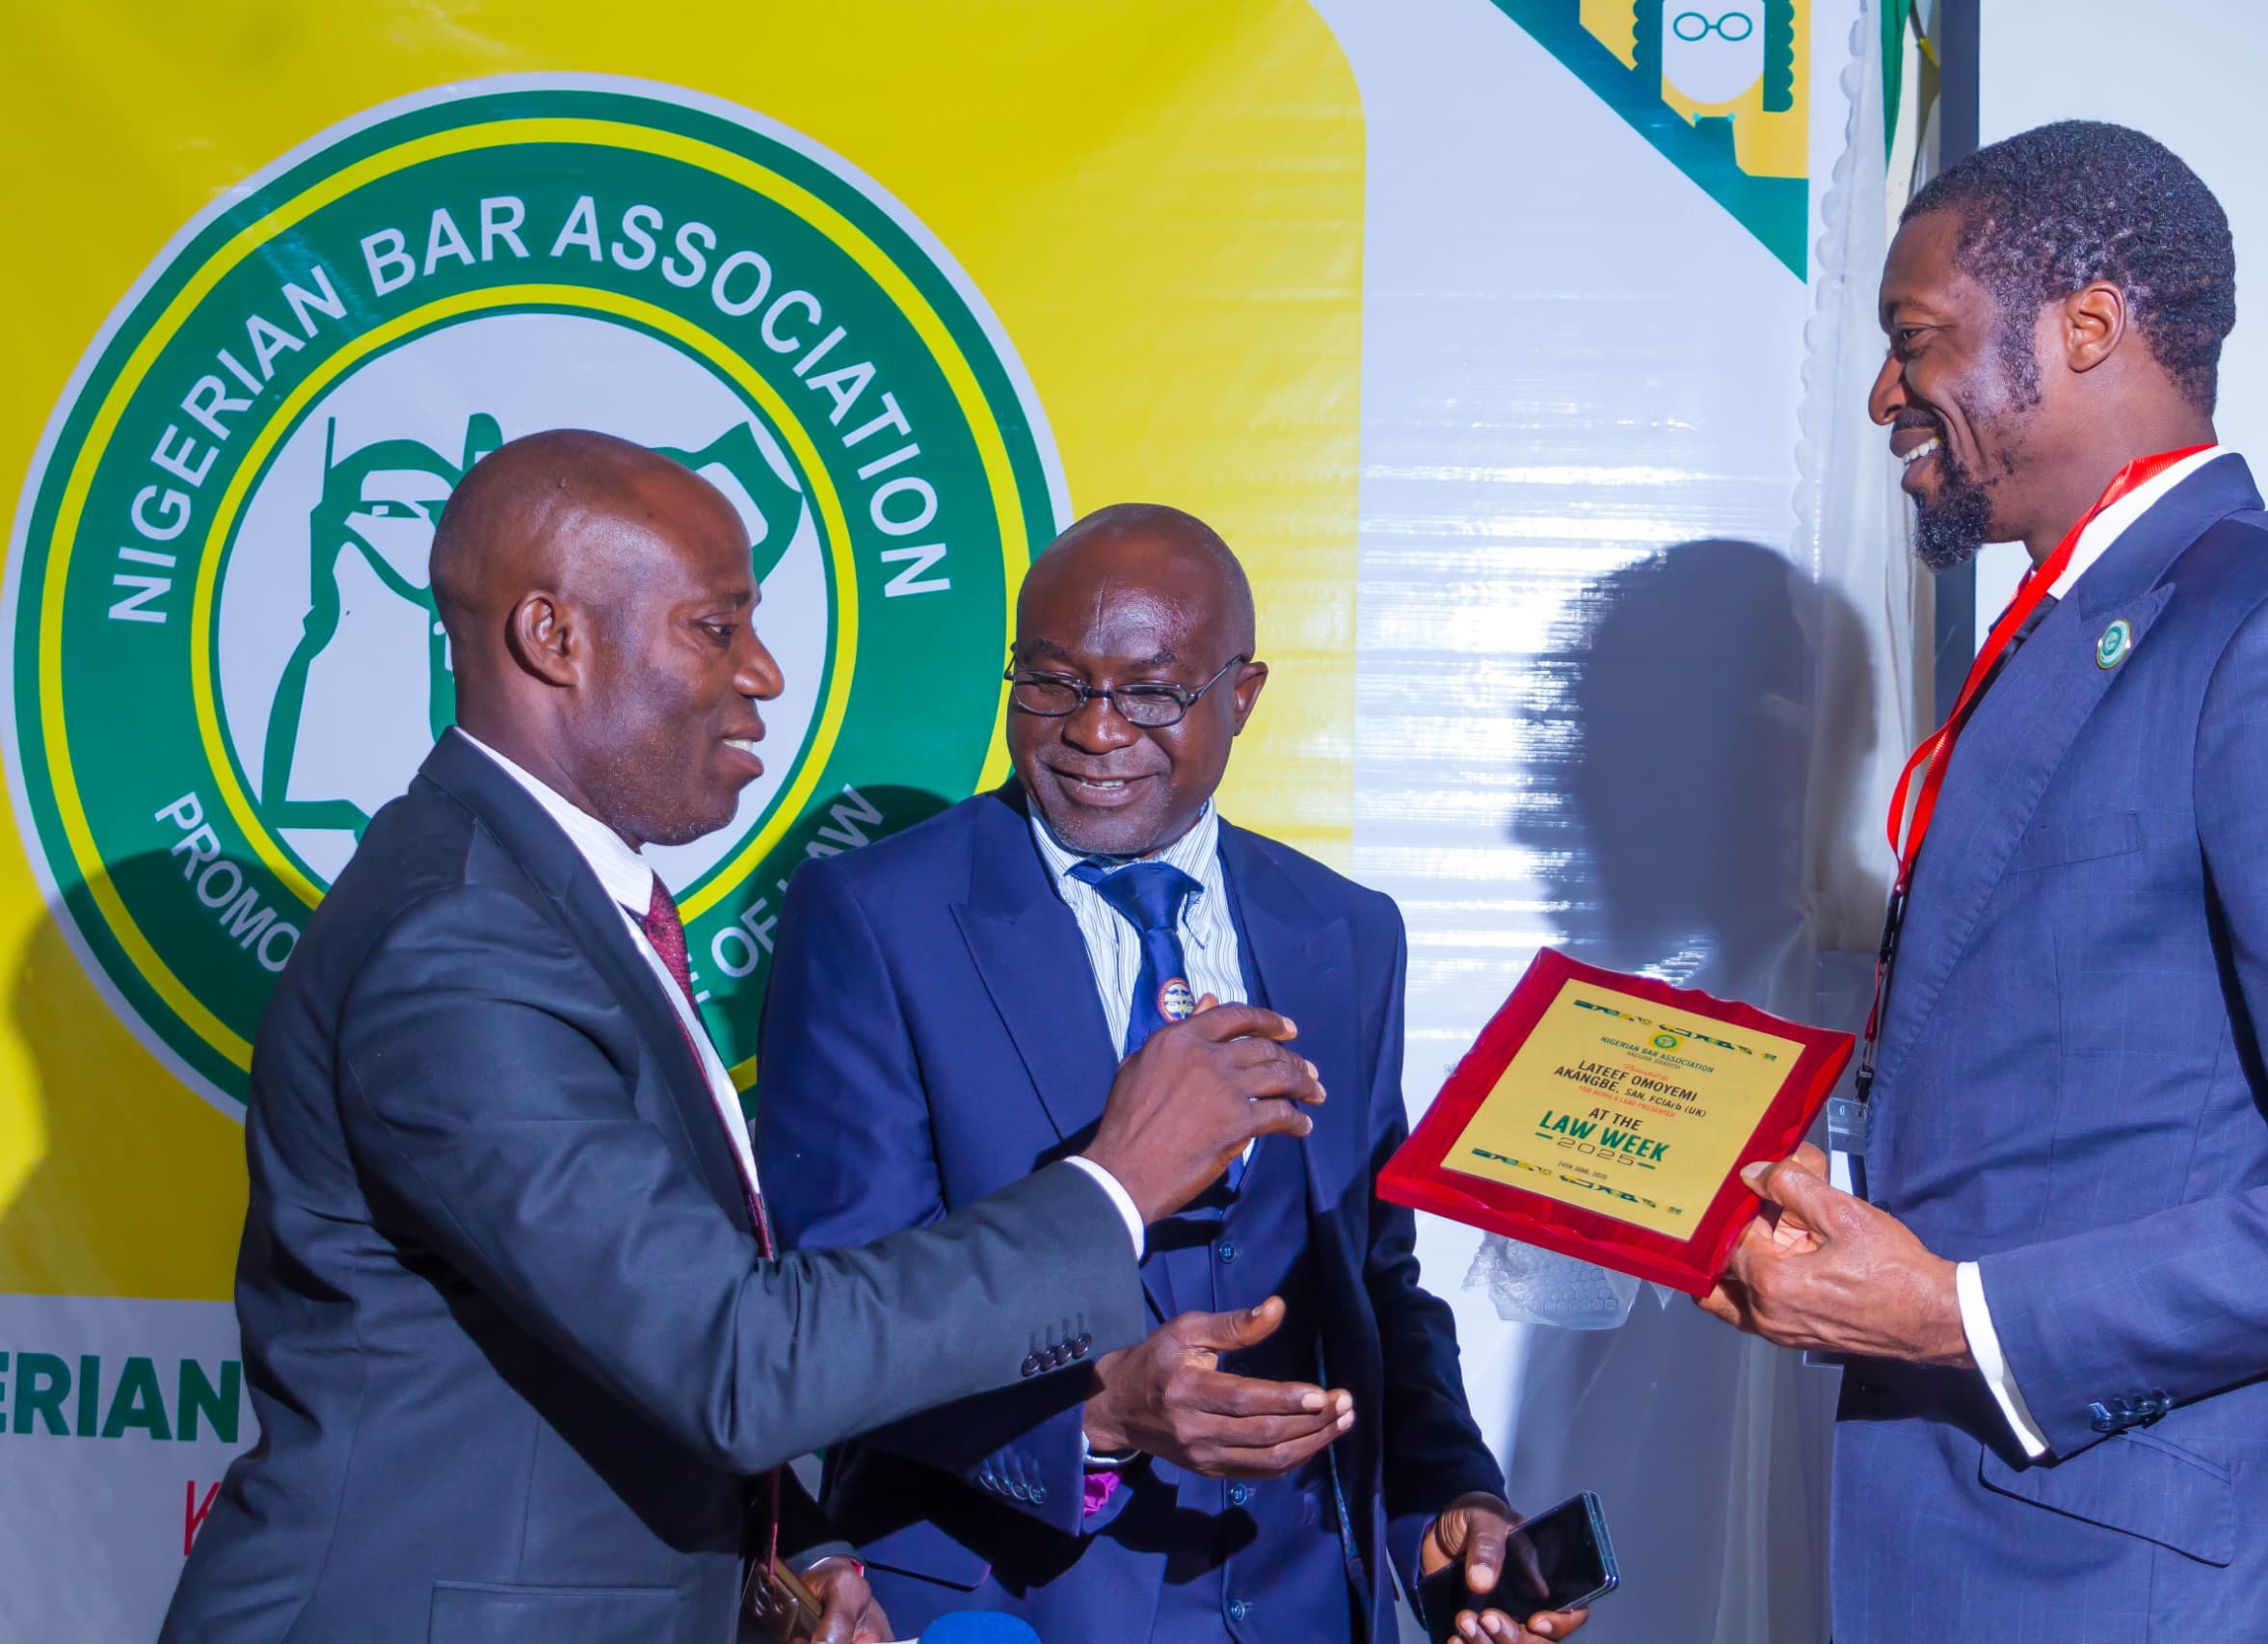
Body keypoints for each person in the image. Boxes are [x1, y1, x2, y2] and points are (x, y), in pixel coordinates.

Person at [161, 435, 1324, 1644]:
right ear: (552, 637)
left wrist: (792, 1543)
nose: (764, 671)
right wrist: (1115, 1181)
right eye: (717, 628)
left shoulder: (552, 908)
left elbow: (621, 1334)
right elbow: (735, 1357)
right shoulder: (459, 945)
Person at [1700, 121, 2268, 1641]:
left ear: (2090, 324)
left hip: (2188, 1591)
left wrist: (1959, 1314)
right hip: (1994, 1561)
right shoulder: (2075, 631)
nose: (1883, 397)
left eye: (1914, 340)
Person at [756, 505, 1588, 1644]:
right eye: (1050, 681)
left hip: (1302, 1609)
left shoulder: (1345, 929)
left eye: (1150, 692)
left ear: (1241, 696)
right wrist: (1094, 1414)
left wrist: (1449, 1500)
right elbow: (836, 1310)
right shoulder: (872, 916)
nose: (1095, 728)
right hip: (1009, 1608)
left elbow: (1374, 1281)